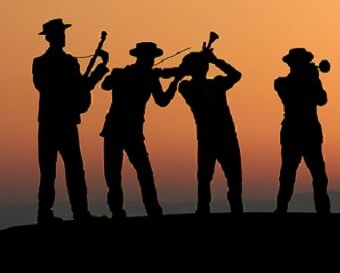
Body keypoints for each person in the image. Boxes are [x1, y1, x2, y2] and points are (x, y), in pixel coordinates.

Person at [33, 18, 108, 224]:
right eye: (60, 34)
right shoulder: (42, 63)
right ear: (50, 37)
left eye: (64, 33)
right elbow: (50, 87)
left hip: (60, 122)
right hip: (54, 122)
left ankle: (78, 212)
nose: (64, 37)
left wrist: (100, 70)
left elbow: (83, 89)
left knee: (73, 169)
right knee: (51, 170)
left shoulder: (68, 62)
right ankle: (48, 213)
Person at [100, 42, 182, 219]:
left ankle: (119, 211)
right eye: (150, 58)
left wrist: (169, 77)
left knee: (115, 174)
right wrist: (174, 81)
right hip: (128, 131)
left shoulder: (126, 74)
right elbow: (162, 101)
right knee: (140, 173)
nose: (152, 61)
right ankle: (152, 211)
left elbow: (106, 85)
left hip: (116, 129)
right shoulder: (138, 75)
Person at [178, 46, 243, 214]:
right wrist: (212, 60)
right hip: (211, 137)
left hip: (222, 136)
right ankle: (204, 211)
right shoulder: (186, 86)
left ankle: (234, 211)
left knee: (233, 178)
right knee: (206, 178)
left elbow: (237, 75)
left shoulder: (215, 83)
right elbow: (232, 77)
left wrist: (215, 60)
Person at [273, 48, 330, 214]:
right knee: (288, 174)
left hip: (307, 131)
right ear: (292, 65)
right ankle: (281, 209)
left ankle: (323, 211)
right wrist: (311, 80)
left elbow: (322, 100)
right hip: (295, 130)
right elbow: (292, 93)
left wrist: (315, 80)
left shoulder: (310, 80)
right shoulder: (281, 82)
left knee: (319, 175)